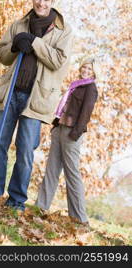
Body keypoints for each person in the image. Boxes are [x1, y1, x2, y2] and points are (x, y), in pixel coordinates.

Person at [0, 0, 73, 211]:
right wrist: (14, 46)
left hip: (36, 100)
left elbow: (58, 61)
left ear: (52, 2)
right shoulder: (19, 24)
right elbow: (2, 55)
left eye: (46, 0)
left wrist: (35, 42)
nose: (41, 3)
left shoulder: (64, 32)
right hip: (10, 94)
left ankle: (16, 202)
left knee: (25, 152)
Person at [35, 58, 98, 225]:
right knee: (51, 170)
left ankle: (79, 218)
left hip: (72, 133)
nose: (85, 70)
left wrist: (75, 134)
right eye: (84, 67)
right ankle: (40, 207)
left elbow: (86, 113)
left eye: (89, 68)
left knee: (72, 174)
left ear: (94, 72)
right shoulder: (75, 84)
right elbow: (63, 106)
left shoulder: (90, 88)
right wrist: (55, 125)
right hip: (60, 129)